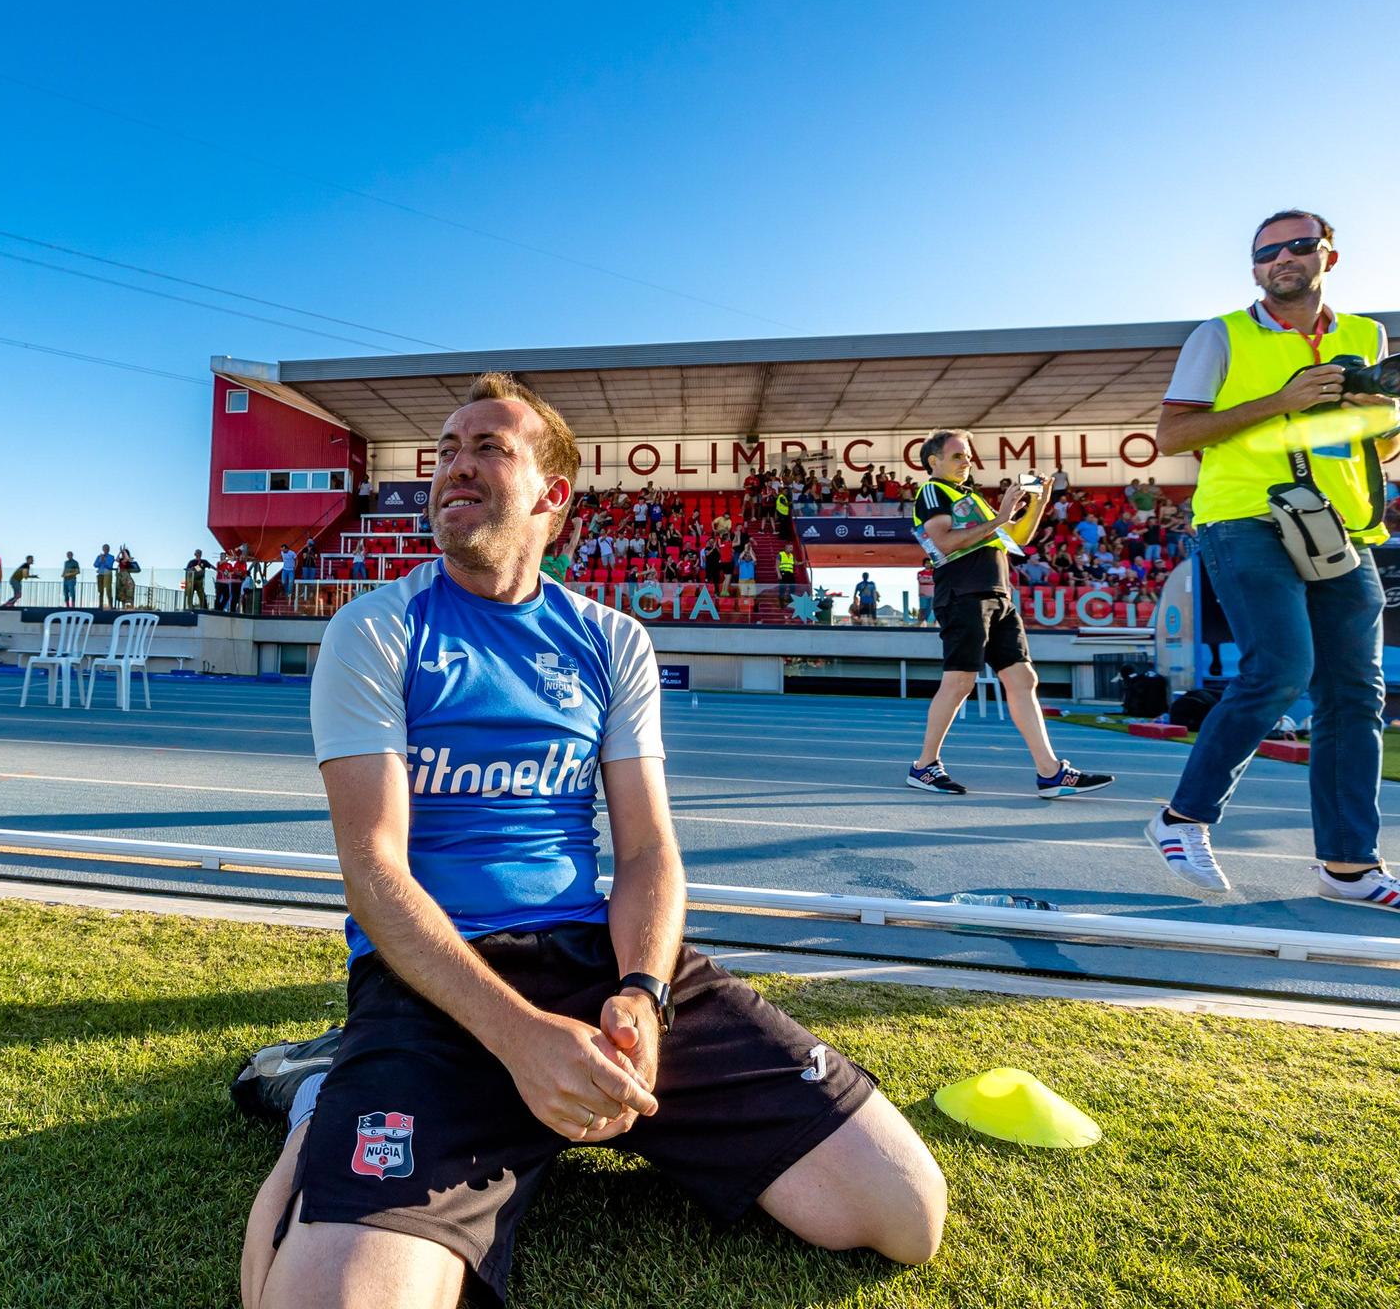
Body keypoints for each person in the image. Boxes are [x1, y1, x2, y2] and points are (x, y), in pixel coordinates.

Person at [236, 373, 944, 1309]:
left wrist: (643, 997)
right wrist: (523, 1041)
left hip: (594, 960)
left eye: (489, 446)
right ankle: (325, 1097)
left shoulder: (611, 641)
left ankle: (543, 1107)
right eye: (445, 449)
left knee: (901, 1211)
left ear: (552, 496)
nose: (456, 464)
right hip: (435, 982)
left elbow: (648, 850)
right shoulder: (377, 630)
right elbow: (374, 871)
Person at [1146, 209, 1400, 906]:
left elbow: (1379, 447)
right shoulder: (1219, 334)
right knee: (1283, 666)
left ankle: (1347, 867)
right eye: (1265, 253)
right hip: (1244, 516)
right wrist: (1281, 403)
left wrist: (1383, 415)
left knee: (1356, 692)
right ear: (1254, 268)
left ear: (1329, 257)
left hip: (1343, 526)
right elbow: (1172, 435)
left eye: (1296, 246)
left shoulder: (1365, 336)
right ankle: (1182, 819)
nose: (1280, 259)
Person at [906, 429, 1111, 798]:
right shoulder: (933, 491)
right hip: (963, 594)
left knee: (1023, 680)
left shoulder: (972, 497)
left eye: (967, 455)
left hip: (998, 595)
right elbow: (946, 541)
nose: (966, 461)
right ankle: (924, 766)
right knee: (959, 683)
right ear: (933, 462)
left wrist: (1038, 502)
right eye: (957, 456)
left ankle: (1049, 772)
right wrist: (1000, 516)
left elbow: (1017, 538)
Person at [94, 544, 116, 610]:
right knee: (100, 590)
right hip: (100, 574)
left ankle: (110, 605)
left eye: (107, 548)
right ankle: (100, 605)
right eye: (104, 548)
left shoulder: (111, 557)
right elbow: (95, 565)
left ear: (109, 549)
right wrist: (100, 560)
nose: (106, 549)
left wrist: (104, 561)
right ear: (103, 549)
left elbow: (109, 566)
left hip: (108, 574)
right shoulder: (99, 556)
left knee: (108, 590)